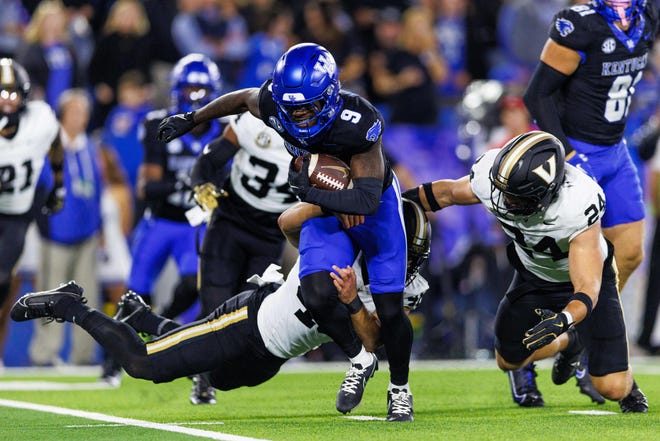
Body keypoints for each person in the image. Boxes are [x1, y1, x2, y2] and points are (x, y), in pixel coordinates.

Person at [157, 43, 415, 421]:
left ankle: (400, 389)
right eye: (291, 108)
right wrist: (193, 117)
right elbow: (242, 99)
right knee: (314, 291)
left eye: (308, 107)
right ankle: (360, 360)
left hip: (373, 206)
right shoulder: (276, 104)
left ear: (328, 96)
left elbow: (365, 202)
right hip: (325, 208)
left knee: (390, 308)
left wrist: (305, 189)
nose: (299, 116)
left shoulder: (357, 121)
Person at [9, 199, 431, 418]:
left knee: (211, 372)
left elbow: (374, 340)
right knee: (144, 364)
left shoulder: (400, 287)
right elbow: (290, 225)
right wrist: (329, 207)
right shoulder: (338, 247)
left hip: (272, 356)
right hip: (247, 321)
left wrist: (353, 301)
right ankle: (71, 305)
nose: (402, 263)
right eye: (399, 251)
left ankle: (144, 317)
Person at [403, 130, 648, 413]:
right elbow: (445, 193)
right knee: (507, 359)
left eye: (517, 198)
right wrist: (397, 204)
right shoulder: (495, 179)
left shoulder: (578, 203)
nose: (506, 201)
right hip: (533, 275)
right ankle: (570, 342)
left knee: (612, 387)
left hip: (581, 281)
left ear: (547, 193)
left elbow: (587, 287)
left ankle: (615, 373)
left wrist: (565, 318)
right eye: (504, 192)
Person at [516, 0, 659, 406]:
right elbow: (537, 93)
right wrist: (563, 153)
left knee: (628, 254)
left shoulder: (647, 14)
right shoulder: (580, 23)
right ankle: (524, 356)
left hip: (615, 152)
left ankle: (580, 339)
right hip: (577, 153)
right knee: (561, 266)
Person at [185, 110, 298, 404]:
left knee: (248, 315)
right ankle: (202, 373)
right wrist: (202, 184)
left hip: (272, 233)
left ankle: (214, 370)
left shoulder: (322, 139)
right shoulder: (256, 119)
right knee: (214, 303)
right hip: (231, 221)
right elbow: (211, 158)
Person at [126, 53, 223, 312]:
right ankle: (133, 343)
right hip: (161, 218)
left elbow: (225, 186)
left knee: (195, 284)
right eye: (190, 89)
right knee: (136, 290)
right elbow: (147, 188)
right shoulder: (157, 124)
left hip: (196, 222)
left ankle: (163, 326)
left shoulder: (224, 130)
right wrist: (185, 182)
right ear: (178, 90)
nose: (195, 97)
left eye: (201, 89)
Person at [29, 88, 103, 367]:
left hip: (87, 234)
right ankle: (44, 354)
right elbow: (39, 187)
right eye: (74, 112)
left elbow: (97, 190)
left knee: (87, 297)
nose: (80, 118)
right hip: (56, 233)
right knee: (50, 295)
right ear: (63, 114)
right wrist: (43, 225)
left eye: (83, 113)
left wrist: (100, 229)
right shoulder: (49, 145)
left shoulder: (90, 147)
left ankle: (83, 355)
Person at [0, 57, 65, 362]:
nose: (8, 100)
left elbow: (55, 142)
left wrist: (59, 183)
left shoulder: (40, 119)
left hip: (17, 211)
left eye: (13, 93)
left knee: (2, 278)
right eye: (2, 93)